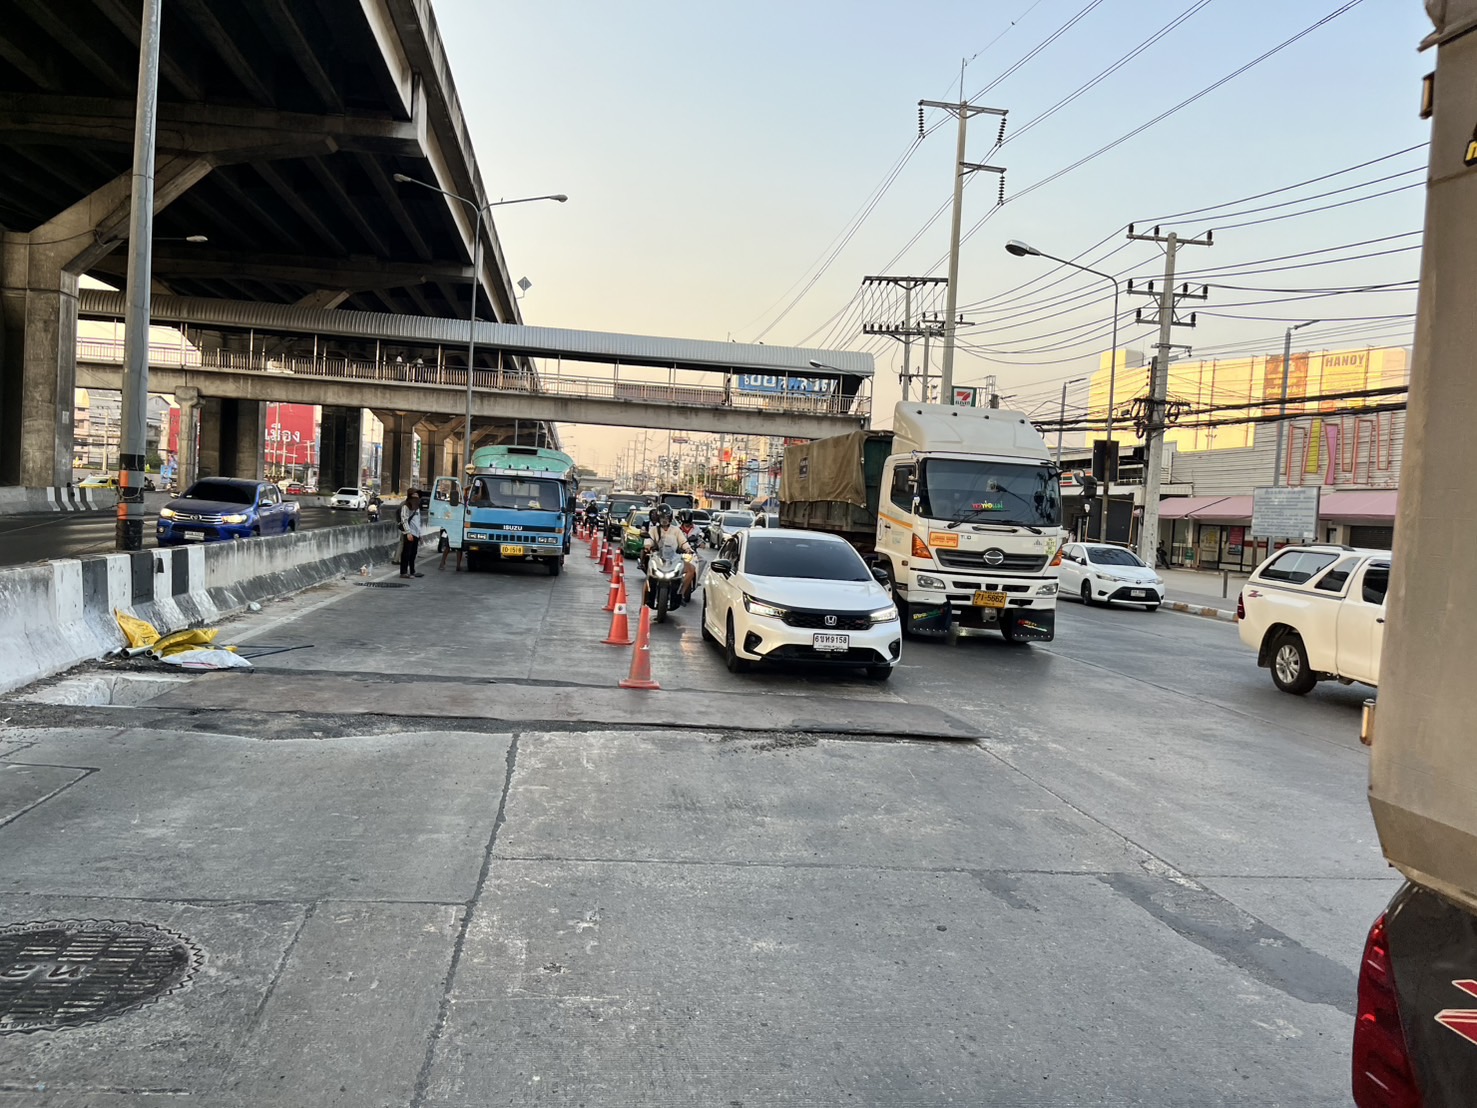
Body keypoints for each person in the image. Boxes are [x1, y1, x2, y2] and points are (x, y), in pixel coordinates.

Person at [643, 503, 697, 601]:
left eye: (666, 517)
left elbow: (683, 542)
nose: (664, 520)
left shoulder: (676, 530)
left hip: (673, 558)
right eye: (662, 517)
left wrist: (688, 549)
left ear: (670, 518)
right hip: (657, 558)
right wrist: (648, 546)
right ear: (658, 518)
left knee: (691, 569)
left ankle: (681, 593)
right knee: (648, 577)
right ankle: (643, 603)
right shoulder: (653, 530)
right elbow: (648, 541)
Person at [398, 489, 424, 578]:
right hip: (409, 532)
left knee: (413, 553)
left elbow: (418, 522)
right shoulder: (406, 506)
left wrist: (420, 534)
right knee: (406, 553)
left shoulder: (417, 508)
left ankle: (412, 571)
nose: (416, 498)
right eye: (414, 496)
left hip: (416, 533)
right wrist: (408, 533)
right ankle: (403, 572)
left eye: (417, 496)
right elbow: (404, 520)